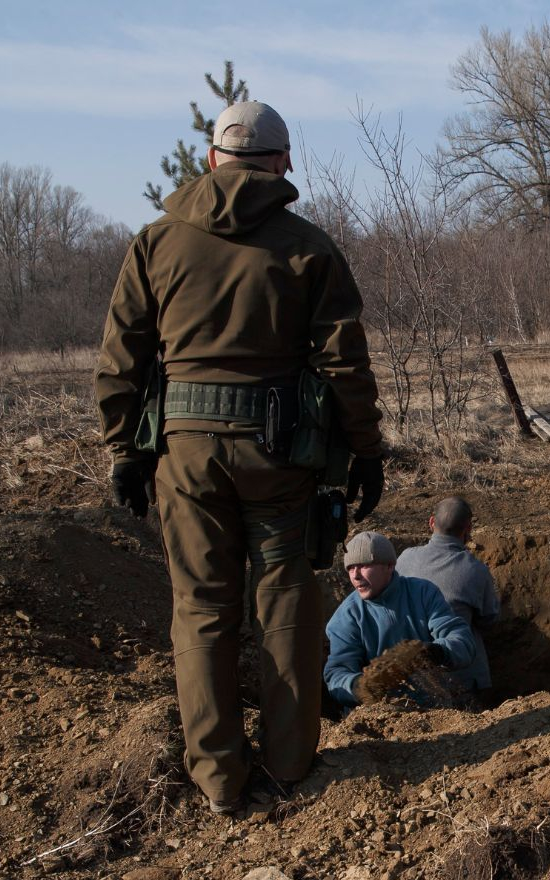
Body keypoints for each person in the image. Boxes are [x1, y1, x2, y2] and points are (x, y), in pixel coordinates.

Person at [94, 100, 387, 815]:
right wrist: (365, 452)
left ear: (211, 159)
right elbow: (344, 365)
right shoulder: (308, 247)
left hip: (185, 458)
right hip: (279, 454)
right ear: (284, 162)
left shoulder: (155, 243)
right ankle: (290, 765)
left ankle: (219, 778)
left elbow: (120, 358)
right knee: (285, 600)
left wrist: (125, 451)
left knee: (201, 609)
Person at [324, 531, 476, 713]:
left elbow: (461, 638)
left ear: (389, 566)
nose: (355, 576)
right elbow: (336, 674)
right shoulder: (347, 616)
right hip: (382, 717)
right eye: (350, 568)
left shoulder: (423, 593)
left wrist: (436, 652)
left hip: (436, 710)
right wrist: (359, 687)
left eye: (364, 565)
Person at [394, 497, 502, 693]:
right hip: (455, 675)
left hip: (407, 666)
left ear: (431, 522)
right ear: (468, 528)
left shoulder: (405, 557)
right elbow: (489, 620)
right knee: (470, 632)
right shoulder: (474, 569)